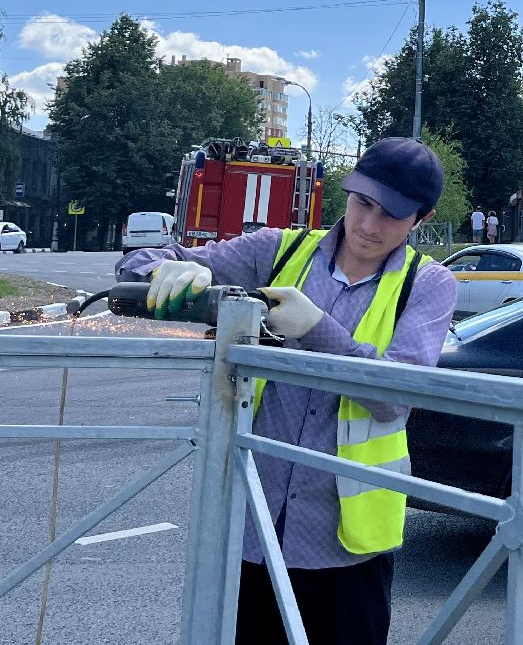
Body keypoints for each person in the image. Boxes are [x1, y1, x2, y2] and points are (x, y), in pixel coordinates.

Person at [122, 137, 458, 645]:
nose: (369, 225)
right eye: (363, 203)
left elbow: (394, 396)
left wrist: (316, 327)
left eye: (391, 215)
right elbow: (142, 260)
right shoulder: (281, 250)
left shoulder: (426, 283)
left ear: (421, 219)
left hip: (347, 547)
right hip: (251, 531)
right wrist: (166, 267)